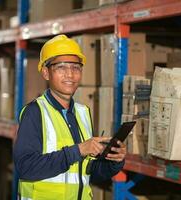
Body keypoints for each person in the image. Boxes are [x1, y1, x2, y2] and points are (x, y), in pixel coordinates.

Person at [13, 34, 126, 200]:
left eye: (76, 68)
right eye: (61, 68)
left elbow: (86, 172)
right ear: (46, 73)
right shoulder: (35, 112)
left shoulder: (83, 113)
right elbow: (26, 167)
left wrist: (114, 160)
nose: (70, 75)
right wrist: (79, 150)